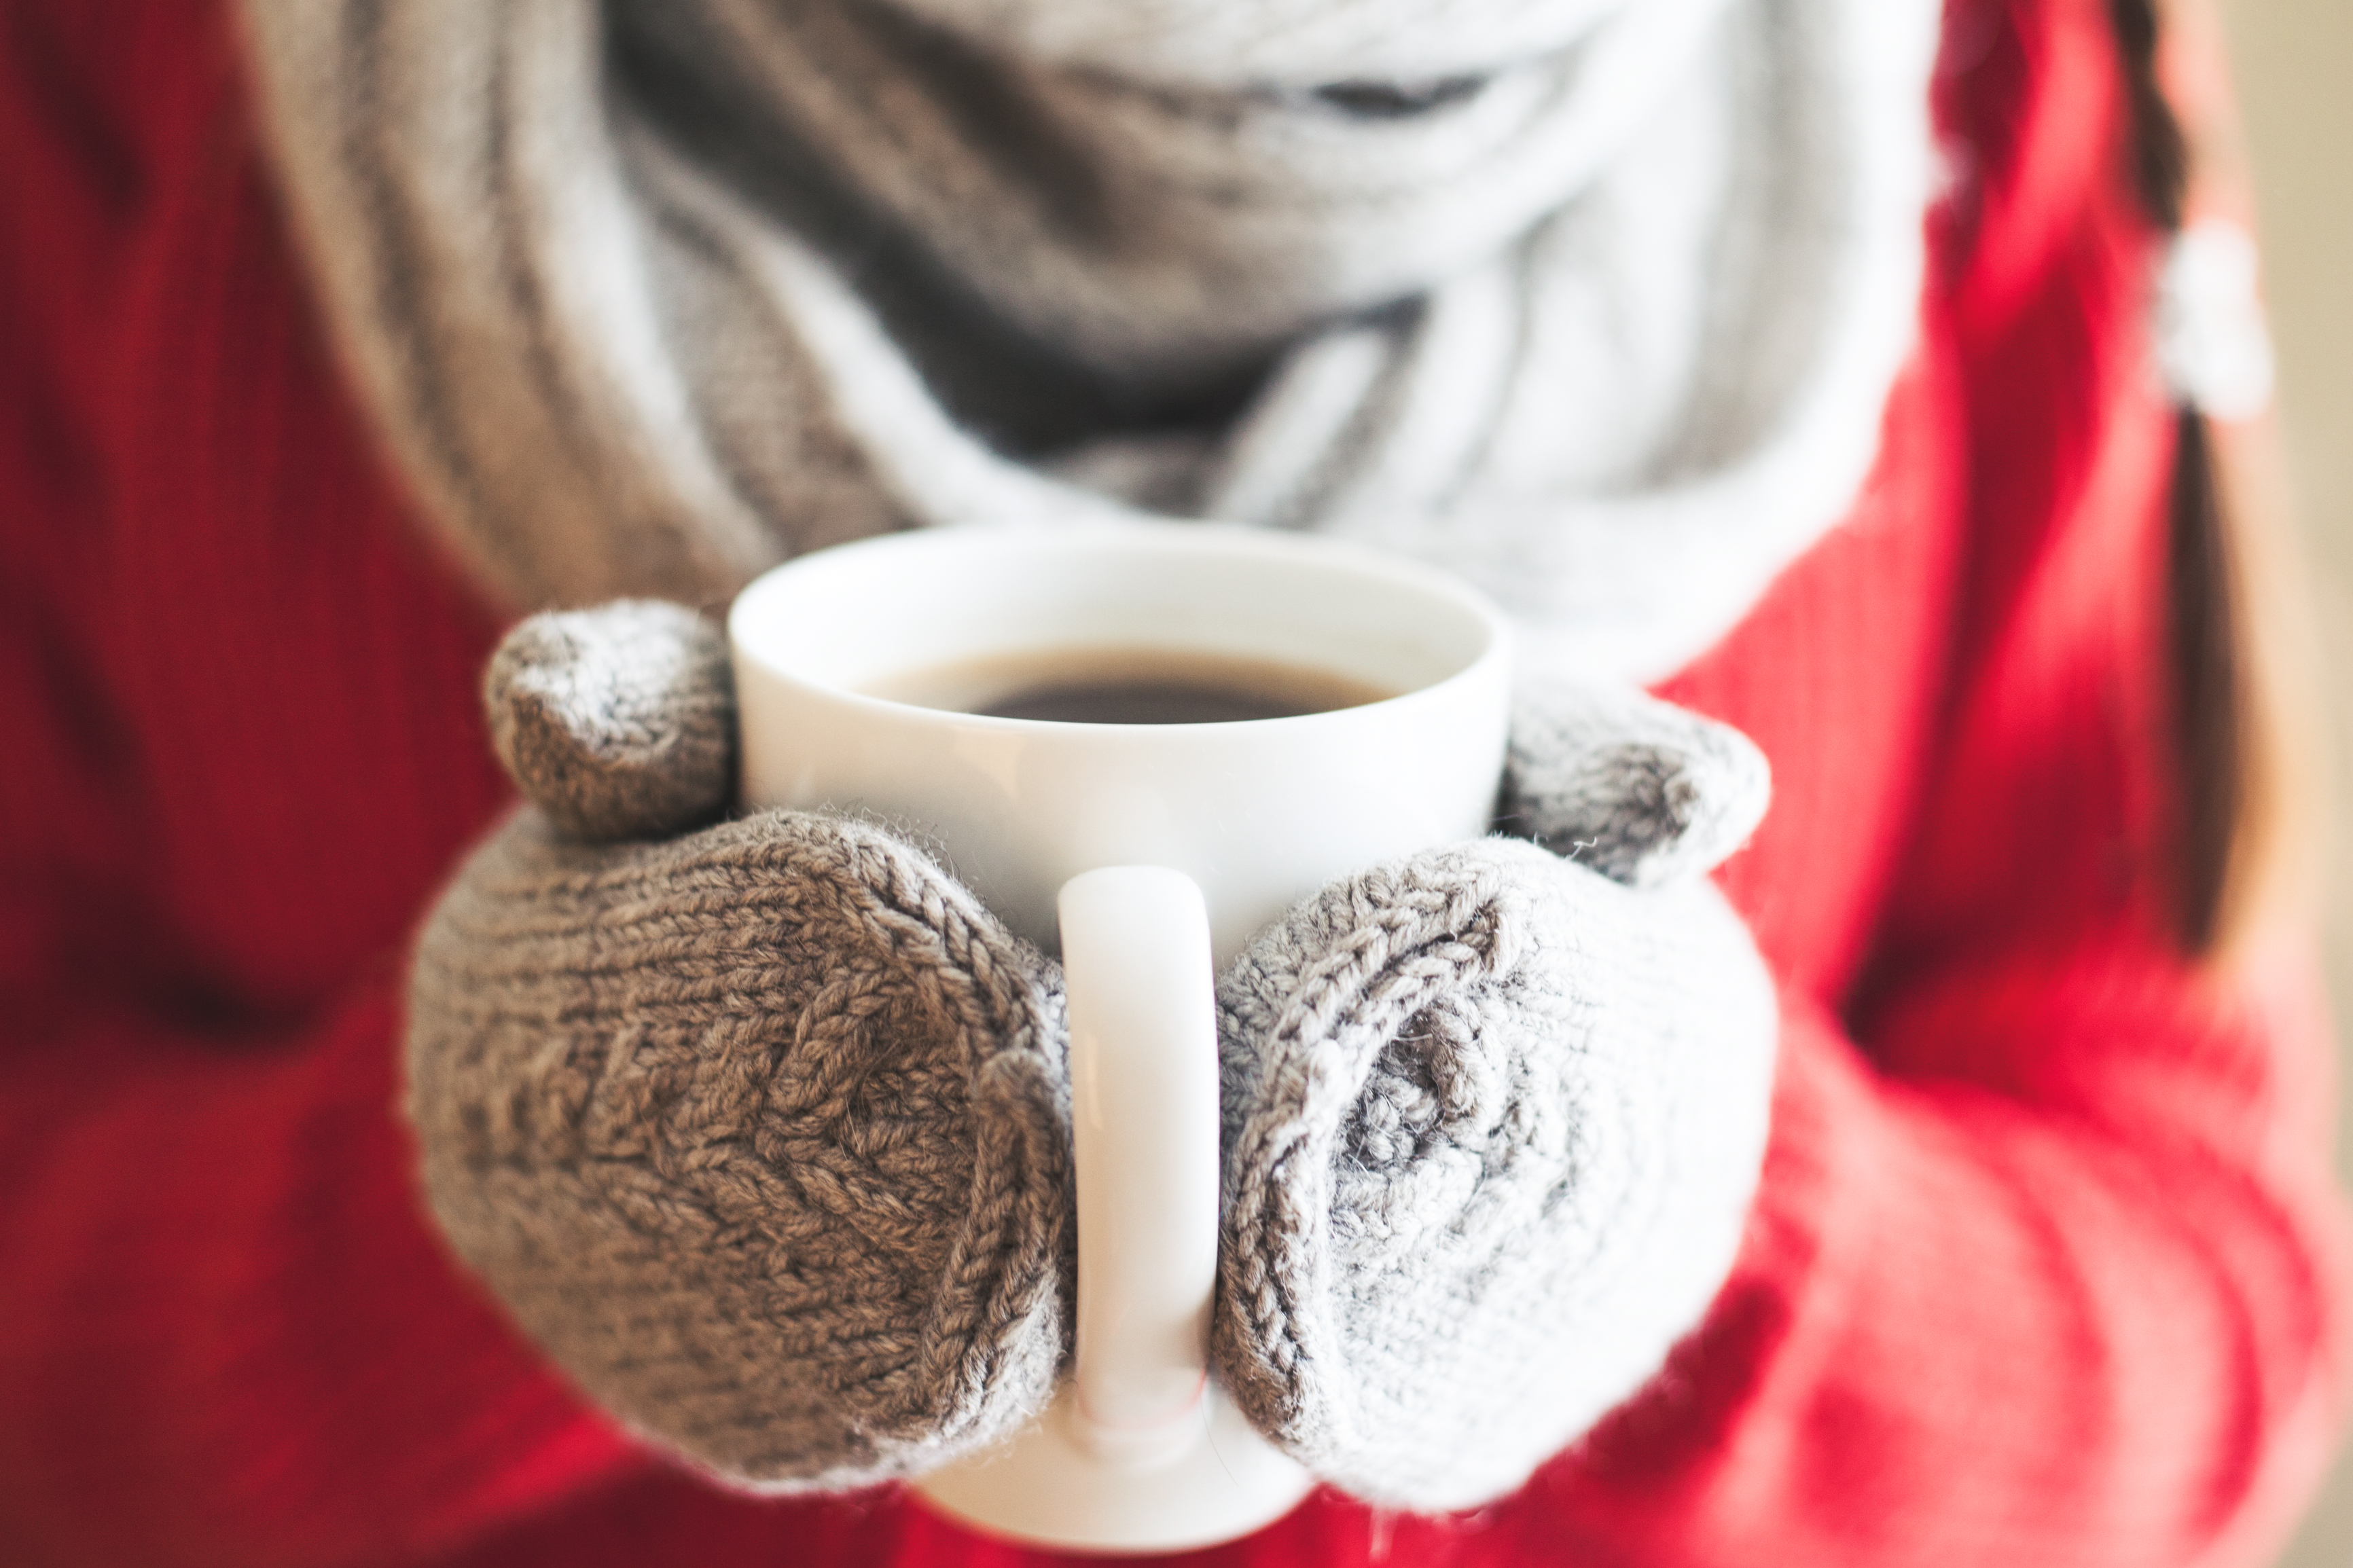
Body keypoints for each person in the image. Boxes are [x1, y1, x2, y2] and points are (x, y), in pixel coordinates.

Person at [1, 0, 2345, 1563]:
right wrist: (473, 1211)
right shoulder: (146, 60)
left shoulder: (1976, 60)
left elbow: (2223, 1312)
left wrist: (1682, 1212)